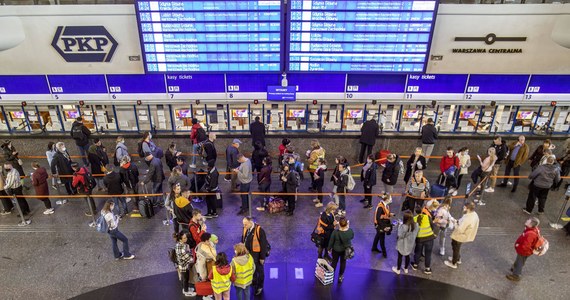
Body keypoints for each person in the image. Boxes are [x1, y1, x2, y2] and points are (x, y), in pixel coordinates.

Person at [445, 201, 480, 269]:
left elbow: (460, 229)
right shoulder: (474, 214)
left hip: (460, 236)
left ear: (468, 209)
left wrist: (454, 223)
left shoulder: (467, 219)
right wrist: (457, 221)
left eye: (465, 207)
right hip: (466, 235)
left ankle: (453, 263)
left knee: (455, 247)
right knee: (457, 247)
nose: (463, 208)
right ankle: (458, 259)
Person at [506, 217, 541, 281]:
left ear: (530, 224)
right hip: (527, 251)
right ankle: (514, 267)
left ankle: (516, 275)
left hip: (524, 251)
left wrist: (518, 246)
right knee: (520, 260)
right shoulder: (533, 229)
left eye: (528, 221)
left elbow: (526, 246)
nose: (526, 220)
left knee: (520, 262)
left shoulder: (530, 234)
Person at [242, 216, 269, 296]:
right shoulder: (246, 228)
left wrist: (262, 257)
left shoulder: (260, 230)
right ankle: (254, 281)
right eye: (244, 224)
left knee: (259, 271)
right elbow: (243, 239)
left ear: (251, 222)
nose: (244, 226)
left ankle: (260, 286)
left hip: (257, 256)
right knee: (251, 269)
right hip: (248, 254)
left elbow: (263, 245)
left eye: (246, 224)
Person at [327, 216, 354, 283]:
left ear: (339, 224)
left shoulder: (335, 232)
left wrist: (329, 249)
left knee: (334, 262)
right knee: (343, 263)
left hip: (336, 250)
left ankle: (331, 276)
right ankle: (340, 277)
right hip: (345, 250)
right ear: (347, 224)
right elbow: (352, 237)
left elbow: (331, 241)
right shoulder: (350, 231)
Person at [392, 210, 419, 275]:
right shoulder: (416, 225)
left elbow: (400, 235)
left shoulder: (404, 226)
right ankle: (406, 268)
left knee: (400, 257)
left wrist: (399, 226)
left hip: (402, 244)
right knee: (407, 256)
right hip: (410, 243)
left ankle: (398, 269)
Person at [411, 205, 436, 275]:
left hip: (419, 239)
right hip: (429, 238)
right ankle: (427, 269)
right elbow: (432, 226)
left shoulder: (414, 219)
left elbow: (413, 230)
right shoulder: (427, 217)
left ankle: (415, 265)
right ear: (422, 210)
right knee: (428, 254)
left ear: (415, 212)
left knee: (418, 252)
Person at [173, 232, 197, 297]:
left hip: (182, 265)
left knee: (184, 278)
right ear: (180, 239)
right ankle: (186, 291)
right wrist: (192, 259)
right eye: (184, 238)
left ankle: (185, 289)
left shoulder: (180, 244)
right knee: (185, 278)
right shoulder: (181, 247)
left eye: (186, 237)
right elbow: (187, 257)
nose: (186, 239)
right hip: (183, 265)